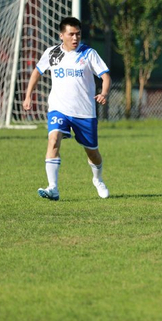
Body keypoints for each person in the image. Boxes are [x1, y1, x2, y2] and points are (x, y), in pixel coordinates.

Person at [23, 17, 111, 201]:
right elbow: (37, 72)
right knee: (53, 140)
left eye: (78, 34)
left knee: (92, 152)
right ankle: (53, 188)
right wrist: (28, 95)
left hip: (84, 112)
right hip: (59, 108)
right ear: (61, 35)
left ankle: (98, 179)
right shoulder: (52, 53)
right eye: (71, 34)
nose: (75, 38)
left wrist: (103, 93)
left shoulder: (88, 53)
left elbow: (105, 76)